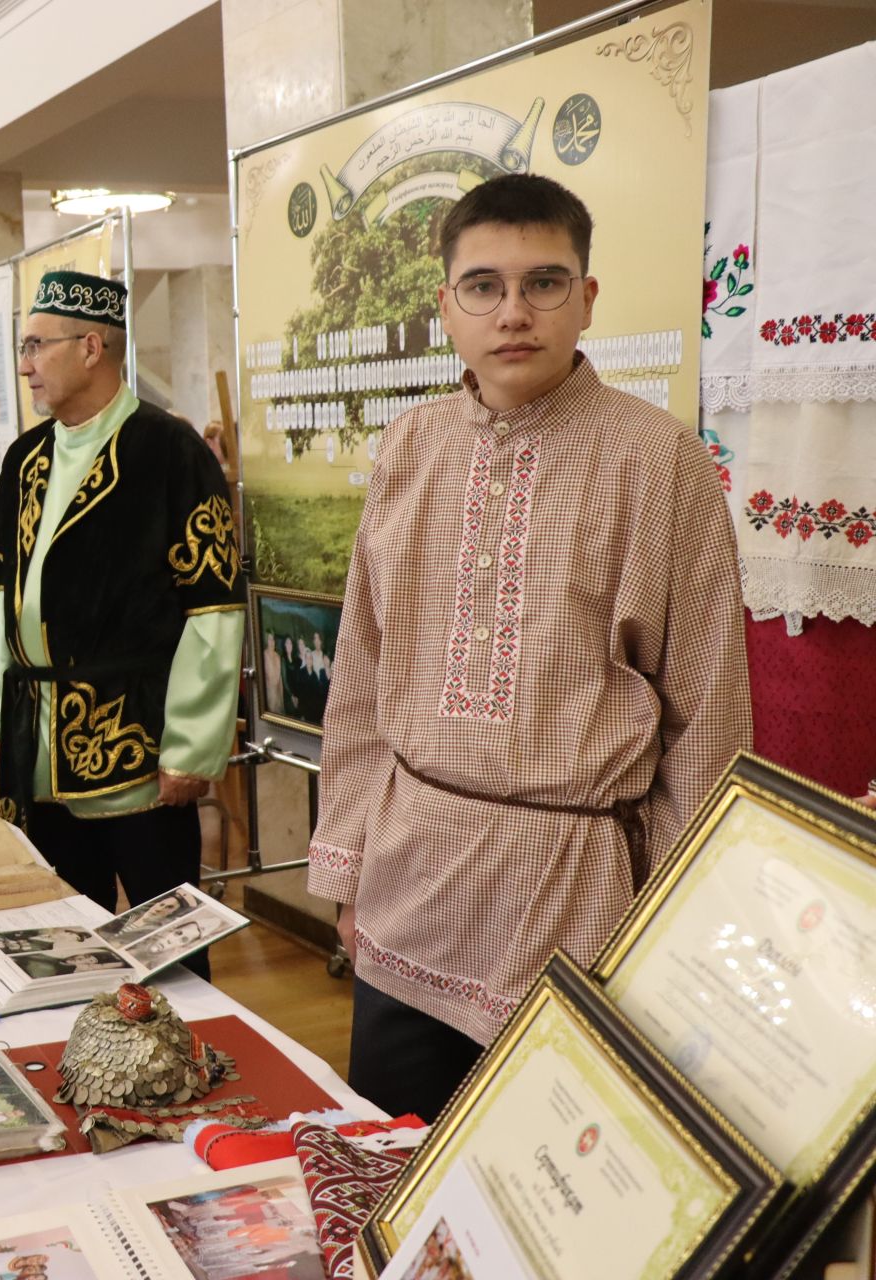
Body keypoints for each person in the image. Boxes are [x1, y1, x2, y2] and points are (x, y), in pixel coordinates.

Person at [309, 174, 750, 1122]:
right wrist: (346, 871)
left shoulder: (658, 458)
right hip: (408, 885)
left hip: (573, 891)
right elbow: (360, 677)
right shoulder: (410, 446)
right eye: (484, 286)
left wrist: (667, 924)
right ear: (446, 305)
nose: (514, 312)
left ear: (587, 297)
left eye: (544, 283)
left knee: (555, 1193)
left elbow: (709, 715)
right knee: (392, 1178)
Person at [0, 271, 243, 980]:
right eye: (23, 346)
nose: (26, 363)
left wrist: (192, 743)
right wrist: (5, 720)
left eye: (37, 344)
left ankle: (185, 1068)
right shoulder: (25, 458)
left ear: (92, 346)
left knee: (171, 948)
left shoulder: (168, 450)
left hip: (141, 745)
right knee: (58, 934)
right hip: (37, 742)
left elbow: (213, 606)